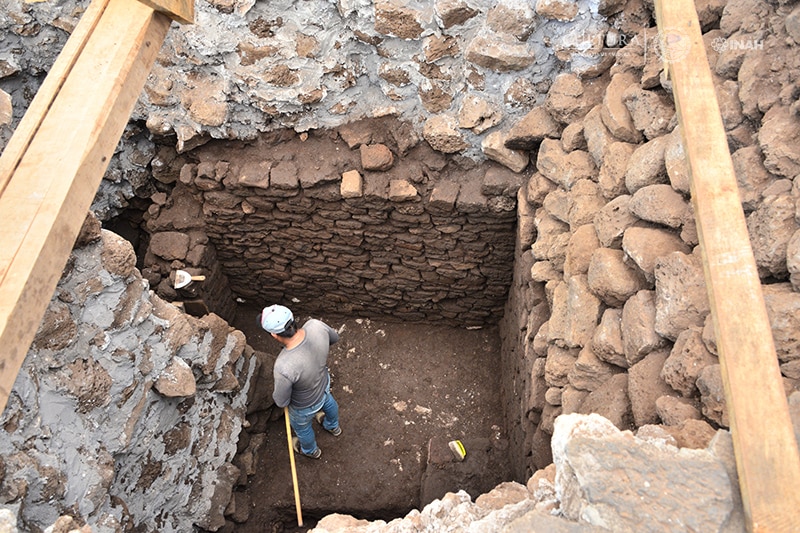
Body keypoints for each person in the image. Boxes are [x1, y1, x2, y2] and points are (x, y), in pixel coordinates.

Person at [259, 304, 342, 459]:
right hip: (323, 384)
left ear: (274, 335)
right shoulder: (316, 325)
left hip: (304, 406)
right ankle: (333, 427)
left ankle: (311, 451)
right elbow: (334, 338)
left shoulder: (283, 365)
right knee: (328, 402)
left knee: (303, 429)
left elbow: (281, 400)